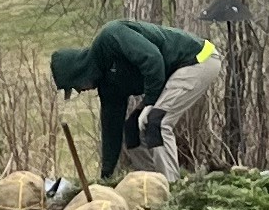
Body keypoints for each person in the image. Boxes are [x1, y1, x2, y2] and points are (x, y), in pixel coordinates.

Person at [50, 19, 222, 179]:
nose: (80, 90)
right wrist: (106, 175)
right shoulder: (108, 86)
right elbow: (112, 129)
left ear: (78, 71)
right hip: (173, 73)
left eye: (75, 86)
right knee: (132, 130)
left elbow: (153, 60)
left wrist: (150, 102)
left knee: (157, 123)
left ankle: (172, 191)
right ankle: (153, 184)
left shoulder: (110, 37)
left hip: (198, 60)